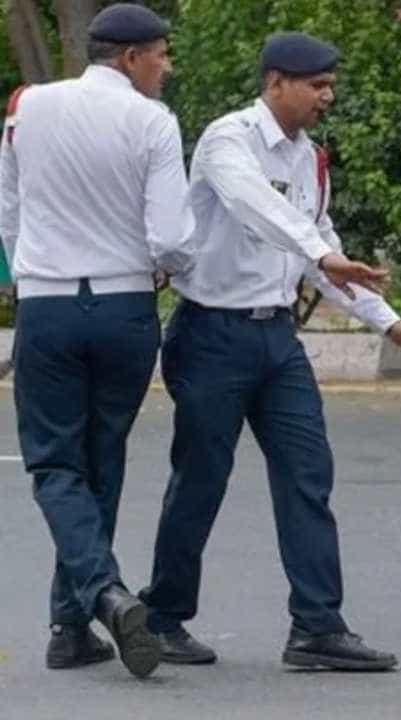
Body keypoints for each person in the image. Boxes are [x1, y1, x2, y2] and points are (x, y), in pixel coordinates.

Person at [137, 31, 401, 671]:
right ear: (276, 82)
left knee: (308, 476)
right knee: (201, 480)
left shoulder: (310, 158)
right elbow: (258, 209)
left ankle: (317, 627)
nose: (327, 96)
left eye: (330, 85)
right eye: (317, 85)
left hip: (276, 341)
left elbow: (321, 247)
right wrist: (320, 252)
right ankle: (163, 617)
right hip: (211, 335)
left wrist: (390, 324)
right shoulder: (229, 139)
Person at [0, 3, 191, 679]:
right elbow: (172, 235)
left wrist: (30, 275)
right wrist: (168, 267)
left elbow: (9, 211)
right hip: (124, 307)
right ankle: (75, 621)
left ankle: (94, 602)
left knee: (56, 466)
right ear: (131, 58)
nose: (167, 67)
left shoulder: (28, 107)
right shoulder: (153, 121)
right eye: (161, 55)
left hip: (49, 306)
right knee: (101, 460)